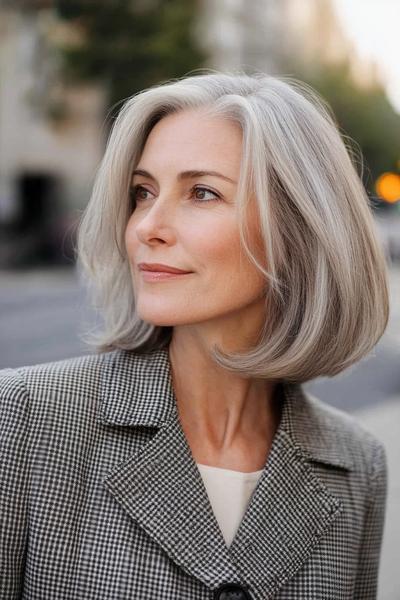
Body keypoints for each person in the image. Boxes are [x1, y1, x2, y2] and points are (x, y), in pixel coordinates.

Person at [0, 71, 389, 600]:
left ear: (297, 228)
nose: (146, 226)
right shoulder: (24, 419)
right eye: (143, 192)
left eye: (202, 192)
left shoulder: (357, 464)